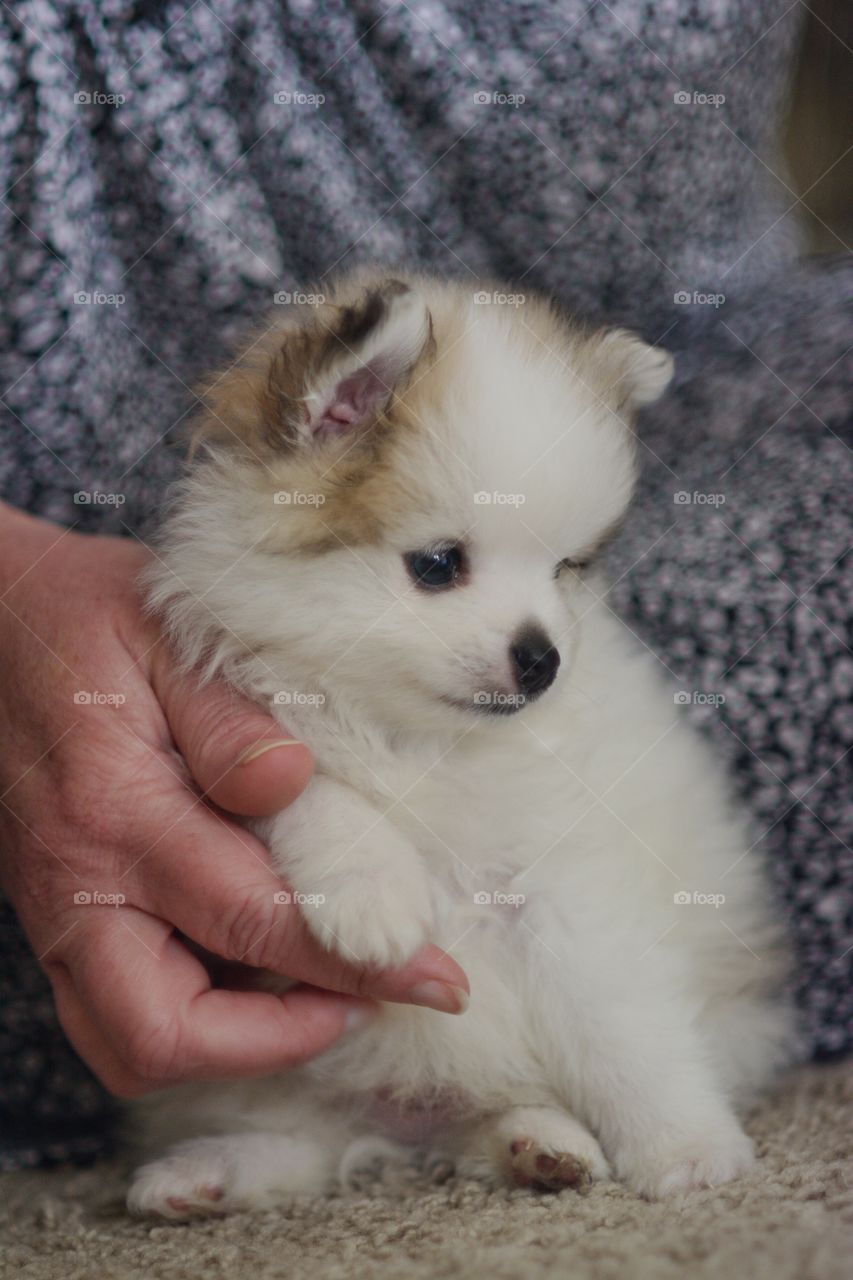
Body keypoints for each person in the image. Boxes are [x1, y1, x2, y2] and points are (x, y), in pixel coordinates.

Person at [1, 1, 850, 1170]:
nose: (538, 633)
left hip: (735, 382)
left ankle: (514, 1115)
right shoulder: (260, 600)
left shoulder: (546, 685)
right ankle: (305, 1144)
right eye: (438, 565)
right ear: (320, 423)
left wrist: (672, 1123)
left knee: (556, 894)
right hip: (54, 672)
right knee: (232, 917)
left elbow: (575, 917)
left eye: (563, 568)